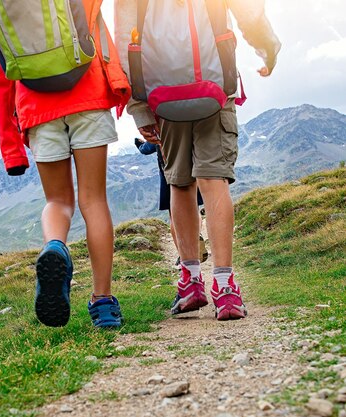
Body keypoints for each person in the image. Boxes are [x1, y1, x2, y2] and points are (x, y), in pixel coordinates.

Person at [116, 0, 281, 320]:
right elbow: (249, 12)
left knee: (179, 183)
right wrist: (268, 48)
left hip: (162, 92)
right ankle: (225, 287)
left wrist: (138, 105)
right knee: (214, 180)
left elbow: (126, 38)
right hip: (215, 85)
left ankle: (191, 283)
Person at [0, 0, 131, 327]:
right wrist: (119, 84)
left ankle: (55, 247)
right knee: (93, 200)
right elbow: (100, 31)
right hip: (89, 97)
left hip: (36, 110)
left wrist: (11, 147)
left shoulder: (1, 7)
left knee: (57, 200)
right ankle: (103, 304)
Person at [135, 137, 208, 267]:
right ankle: (196, 235)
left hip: (168, 171)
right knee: (194, 207)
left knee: (174, 215)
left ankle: (183, 255)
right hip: (191, 163)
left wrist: (139, 144)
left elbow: (147, 148)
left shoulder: (160, 125)